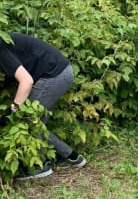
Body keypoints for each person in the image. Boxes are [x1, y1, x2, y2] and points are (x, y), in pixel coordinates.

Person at [0, 32, 86, 180]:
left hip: (54, 75)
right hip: (59, 71)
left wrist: (13, 109)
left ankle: (38, 168)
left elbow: (26, 81)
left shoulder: (1, 48)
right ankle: (71, 157)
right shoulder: (4, 40)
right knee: (36, 124)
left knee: (27, 121)